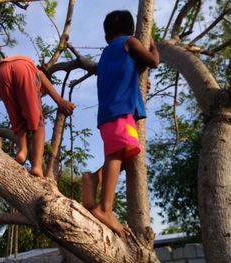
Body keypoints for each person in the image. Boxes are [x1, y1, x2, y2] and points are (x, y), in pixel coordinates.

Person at [81, 10, 159, 238]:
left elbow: (125, 75)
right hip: (119, 113)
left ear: (106, 36)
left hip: (109, 114)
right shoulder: (130, 42)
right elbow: (153, 61)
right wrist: (151, 42)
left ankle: (94, 178)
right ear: (130, 30)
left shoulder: (107, 54)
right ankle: (105, 208)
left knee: (126, 154)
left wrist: (138, 83)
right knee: (117, 154)